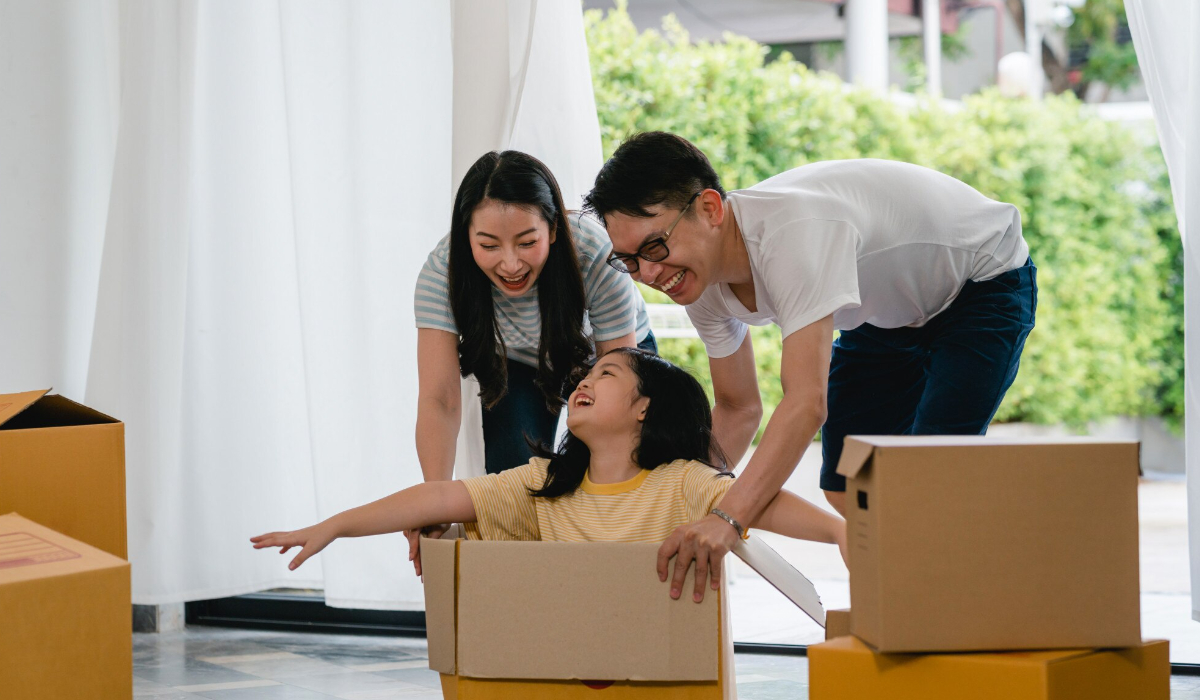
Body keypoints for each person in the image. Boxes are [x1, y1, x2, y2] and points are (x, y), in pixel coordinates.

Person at [585, 131, 1037, 601]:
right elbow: (739, 409)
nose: (650, 275)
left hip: (982, 279)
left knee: (930, 479)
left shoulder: (792, 236)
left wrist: (726, 519)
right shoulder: (699, 283)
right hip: (886, 314)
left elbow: (805, 403)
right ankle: (909, 603)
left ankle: (977, 599)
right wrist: (671, 504)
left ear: (711, 209)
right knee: (846, 484)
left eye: (655, 247)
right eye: (630, 262)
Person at [251, 348, 848, 610]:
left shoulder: (683, 483)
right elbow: (438, 497)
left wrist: (840, 532)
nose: (584, 381)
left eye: (608, 373)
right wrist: (334, 526)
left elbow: (762, 504)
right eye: (587, 372)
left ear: (645, 407)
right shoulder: (542, 485)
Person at [409, 151, 655, 566]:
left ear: (554, 229)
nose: (510, 263)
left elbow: (618, 376)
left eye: (527, 242)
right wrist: (434, 502)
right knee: (513, 490)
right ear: (466, 235)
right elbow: (440, 400)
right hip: (520, 363)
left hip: (612, 358)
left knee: (628, 478)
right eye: (488, 245)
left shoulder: (593, 249)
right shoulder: (442, 273)